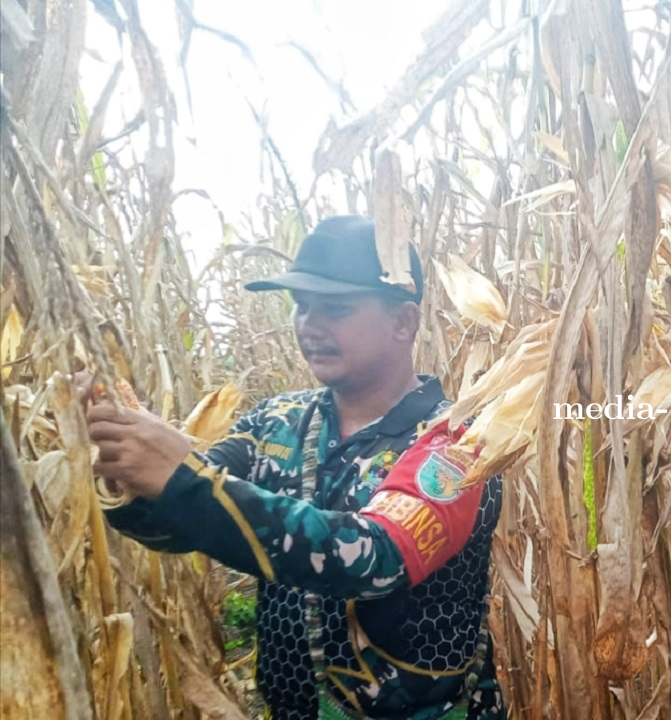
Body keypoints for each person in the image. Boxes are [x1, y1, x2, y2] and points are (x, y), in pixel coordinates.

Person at [79, 216, 505, 720]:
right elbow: (177, 526)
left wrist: (182, 479)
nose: (310, 325)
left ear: (403, 322)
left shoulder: (458, 440)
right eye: (301, 306)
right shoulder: (275, 420)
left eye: (335, 308)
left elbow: (373, 557)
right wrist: (121, 467)